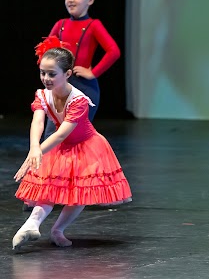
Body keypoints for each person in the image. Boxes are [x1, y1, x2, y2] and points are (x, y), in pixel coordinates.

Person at [12, 37, 131, 250]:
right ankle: (31, 224)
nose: (46, 78)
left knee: (79, 192)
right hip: (62, 147)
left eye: (52, 74)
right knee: (49, 186)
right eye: (42, 73)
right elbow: (38, 122)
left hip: (87, 146)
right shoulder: (42, 95)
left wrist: (38, 152)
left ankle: (58, 229)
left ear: (67, 74)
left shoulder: (79, 100)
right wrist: (33, 148)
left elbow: (60, 134)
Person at [45, 0, 120, 135]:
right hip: (60, 86)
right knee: (51, 135)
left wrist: (93, 73)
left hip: (84, 88)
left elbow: (114, 51)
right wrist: (49, 75)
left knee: (76, 136)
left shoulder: (93, 25)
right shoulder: (61, 25)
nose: (70, 0)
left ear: (90, 0)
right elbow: (45, 53)